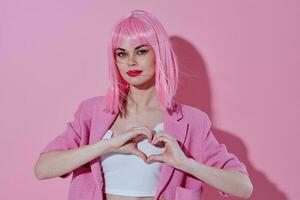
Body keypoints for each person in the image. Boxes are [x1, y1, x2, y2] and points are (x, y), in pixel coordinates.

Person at [34, 10, 253, 200]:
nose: (131, 62)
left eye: (141, 51)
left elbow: (243, 187)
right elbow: (43, 168)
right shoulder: (91, 112)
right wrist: (106, 145)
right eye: (122, 53)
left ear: (159, 54)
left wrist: (185, 163)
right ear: (115, 60)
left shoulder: (192, 121)